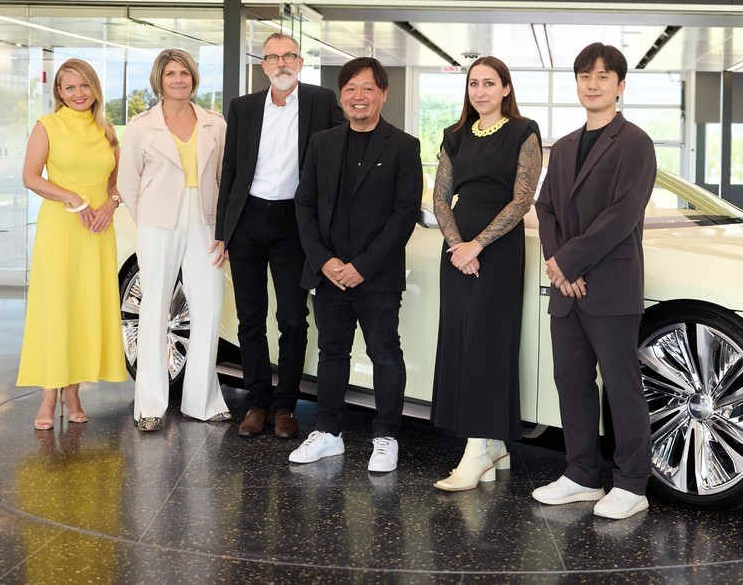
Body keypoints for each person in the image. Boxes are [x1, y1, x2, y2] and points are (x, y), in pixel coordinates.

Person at [532, 42, 656, 521]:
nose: (593, 83)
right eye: (585, 75)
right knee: (572, 381)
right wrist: (559, 264)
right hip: (568, 290)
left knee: (621, 385)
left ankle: (631, 484)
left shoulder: (635, 143)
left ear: (620, 86)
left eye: (604, 76)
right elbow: (544, 210)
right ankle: (582, 474)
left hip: (610, 285)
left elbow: (622, 214)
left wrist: (570, 263)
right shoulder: (563, 147)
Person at [291, 57, 421, 473]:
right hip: (328, 273)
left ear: (384, 93)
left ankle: (386, 436)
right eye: (350, 89)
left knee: (385, 353)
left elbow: (403, 216)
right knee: (332, 352)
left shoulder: (403, 146)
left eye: (367, 88)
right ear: (341, 95)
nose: (358, 96)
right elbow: (304, 205)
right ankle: (328, 433)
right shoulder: (322, 142)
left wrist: (361, 266)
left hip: (376, 275)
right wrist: (325, 261)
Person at [216, 33, 343, 440]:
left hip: (295, 222)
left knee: (292, 317)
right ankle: (256, 402)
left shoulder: (322, 102)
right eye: (273, 57)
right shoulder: (243, 108)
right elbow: (230, 172)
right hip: (248, 220)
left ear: (301, 61)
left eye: (289, 55)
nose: (281, 63)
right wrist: (223, 231)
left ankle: (286, 404)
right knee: (249, 317)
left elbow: (347, 145)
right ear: (263, 65)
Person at [430, 57, 542, 491]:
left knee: (487, 343)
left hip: (498, 248)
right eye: (474, 84)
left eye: (489, 83)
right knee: (461, 340)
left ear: (506, 89)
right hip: (457, 247)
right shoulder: (454, 136)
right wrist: (459, 246)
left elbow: (522, 200)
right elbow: (441, 199)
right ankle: (491, 444)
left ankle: (479, 451)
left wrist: (478, 245)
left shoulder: (523, 131)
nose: (480, 91)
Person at [117, 48, 230, 432]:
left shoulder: (214, 123)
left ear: (193, 78)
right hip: (157, 220)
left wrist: (223, 230)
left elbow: (224, 179)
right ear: (159, 80)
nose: (178, 79)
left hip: (206, 219)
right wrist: (147, 220)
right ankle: (150, 404)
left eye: (184, 72)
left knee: (209, 306)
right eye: (170, 74)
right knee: (154, 309)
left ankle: (203, 400)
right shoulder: (141, 125)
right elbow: (127, 181)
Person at [17, 58, 129, 430]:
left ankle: (73, 392)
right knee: (57, 310)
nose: (78, 94)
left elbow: (118, 182)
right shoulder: (47, 126)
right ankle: (49, 398)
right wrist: (74, 199)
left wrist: (111, 205)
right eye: (69, 87)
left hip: (97, 232)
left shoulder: (108, 131)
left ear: (94, 89)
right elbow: (30, 178)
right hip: (61, 231)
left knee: (84, 310)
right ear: (59, 93)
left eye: (84, 86)